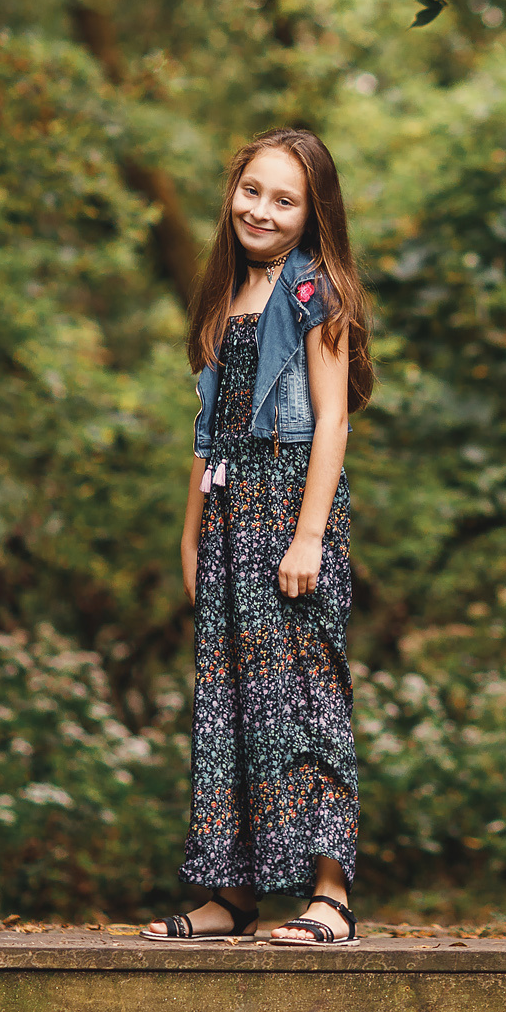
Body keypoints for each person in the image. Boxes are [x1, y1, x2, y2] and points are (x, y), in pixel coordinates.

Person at [144, 129, 374, 947]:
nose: (262, 210)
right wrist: (190, 531)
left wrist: (309, 534)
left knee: (306, 696)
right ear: (231, 189)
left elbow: (334, 417)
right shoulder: (224, 293)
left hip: (291, 504)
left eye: (285, 199)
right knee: (229, 701)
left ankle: (331, 895)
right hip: (229, 514)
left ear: (313, 212)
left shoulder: (318, 293)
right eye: (252, 191)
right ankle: (232, 892)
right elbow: (207, 435)